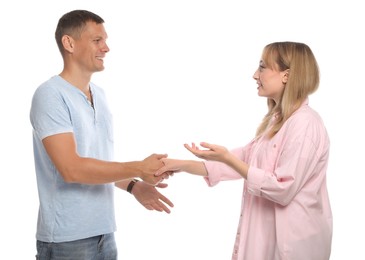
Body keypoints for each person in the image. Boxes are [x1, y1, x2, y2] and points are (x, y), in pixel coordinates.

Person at [156, 42, 332, 260]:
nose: (255, 75)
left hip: (292, 247)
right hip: (264, 242)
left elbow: (282, 187)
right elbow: (238, 162)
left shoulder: (305, 125)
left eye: (262, 67)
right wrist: (179, 165)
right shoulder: (278, 123)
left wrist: (228, 158)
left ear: (286, 75)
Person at [30, 9, 173, 260]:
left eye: (105, 41)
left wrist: (132, 186)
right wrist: (138, 168)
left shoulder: (101, 96)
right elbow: (72, 169)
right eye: (97, 40)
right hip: (67, 241)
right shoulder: (50, 95)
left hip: (105, 234)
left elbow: (96, 163)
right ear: (69, 43)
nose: (106, 48)